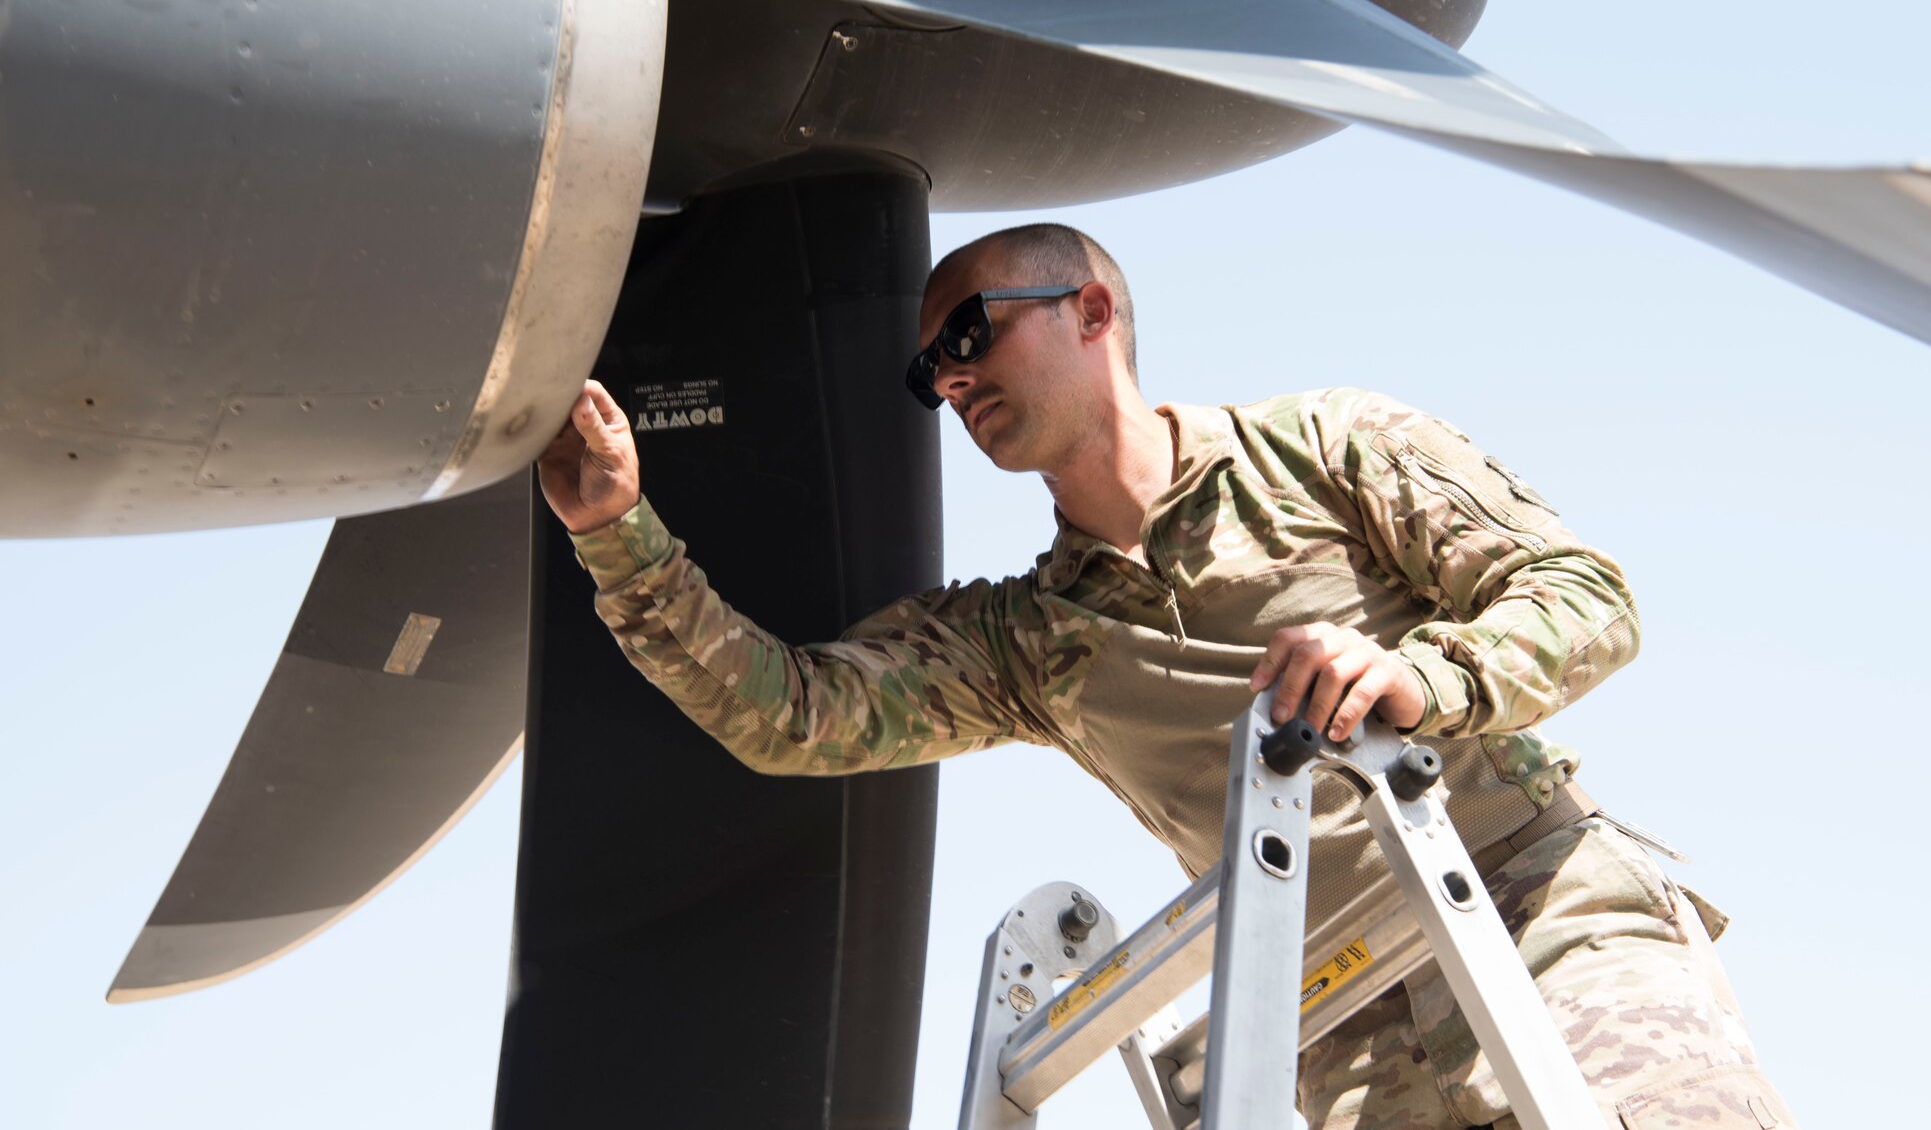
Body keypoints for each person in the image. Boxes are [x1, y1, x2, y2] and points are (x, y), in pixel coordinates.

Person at [537, 223, 1792, 1129]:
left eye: (970, 335)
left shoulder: (1324, 450)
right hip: (1341, 1032)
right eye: (931, 376)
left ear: (1091, 310)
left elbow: (1586, 596)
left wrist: (1420, 675)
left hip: (1539, 922)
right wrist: (615, 532)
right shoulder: (1028, 640)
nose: (952, 379)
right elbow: (789, 716)